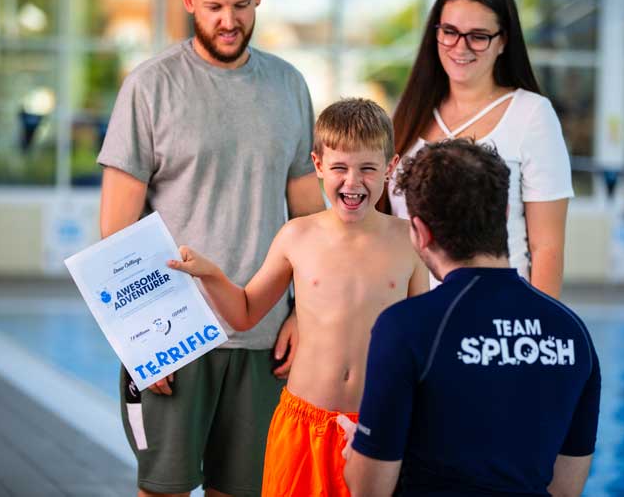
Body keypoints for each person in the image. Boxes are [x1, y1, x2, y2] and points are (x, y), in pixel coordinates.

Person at [97, 0, 324, 495]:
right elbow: (116, 230)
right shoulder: (150, 86)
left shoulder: (289, 86)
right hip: (175, 339)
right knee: (163, 489)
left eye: (241, 6)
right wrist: (139, 339)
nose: (229, 21)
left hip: (263, 341)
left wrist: (304, 316)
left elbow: (310, 222)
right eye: (215, 7)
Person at [168, 98, 429, 497]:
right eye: (339, 167)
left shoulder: (408, 241)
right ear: (318, 164)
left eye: (368, 169)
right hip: (303, 424)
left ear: (390, 168)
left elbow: (421, 345)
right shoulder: (297, 236)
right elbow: (245, 313)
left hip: (379, 425)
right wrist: (212, 276)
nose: (352, 182)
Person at [341, 140, 600, 496]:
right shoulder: (572, 334)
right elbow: (566, 490)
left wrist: (359, 453)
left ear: (420, 232)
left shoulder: (406, 327)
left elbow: (369, 490)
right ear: (505, 214)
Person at [380, 0, 573, 298]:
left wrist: (538, 327)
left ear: (503, 41)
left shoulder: (531, 115)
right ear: (435, 33)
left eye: (478, 36)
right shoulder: (409, 115)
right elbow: (384, 225)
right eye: (450, 32)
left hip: (498, 315)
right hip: (414, 317)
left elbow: (547, 247)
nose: (460, 47)